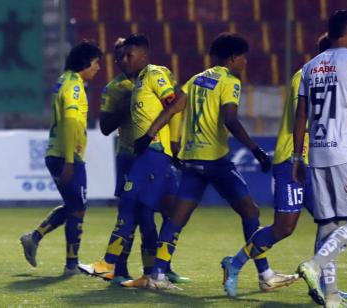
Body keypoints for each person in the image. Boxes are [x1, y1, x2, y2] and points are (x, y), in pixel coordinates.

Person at [123, 32, 295, 291]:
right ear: (234, 58)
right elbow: (231, 120)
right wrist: (255, 149)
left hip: (191, 161)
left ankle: (157, 275)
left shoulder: (196, 79)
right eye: (243, 59)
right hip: (216, 161)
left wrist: (149, 135)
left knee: (176, 219)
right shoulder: (229, 81)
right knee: (251, 212)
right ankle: (265, 275)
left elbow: (171, 110)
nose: (245, 63)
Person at [222, 32, 347, 300]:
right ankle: (234, 263)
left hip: (318, 163)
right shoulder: (305, 76)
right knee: (284, 227)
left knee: (330, 224)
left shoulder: (337, 79)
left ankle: (325, 284)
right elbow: (302, 118)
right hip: (292, 162)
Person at [78, 34, 182, 286]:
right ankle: (150, 274)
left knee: (133, 207)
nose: (123, 60)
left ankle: (109, 265)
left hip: (153, 152)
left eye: (128, 55)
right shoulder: (130, 84)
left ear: (144, 56)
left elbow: (178, 101)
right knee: (142, 211)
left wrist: (153, 135)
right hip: (140, 154)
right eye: (120, 56)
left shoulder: (154, 74)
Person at [294, 10, 347, 308]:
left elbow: (301, 116)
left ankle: (332, 297)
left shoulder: (309, 67)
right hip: (346, 151)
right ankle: (315, 264)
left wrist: (297, 156)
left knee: (327, 225)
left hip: (317, 152)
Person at [20, 40, 102, 275]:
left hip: (57, 153)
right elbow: (70, 122)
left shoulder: (63, 81)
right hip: (67, 155)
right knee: (78, 209)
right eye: (96, 63)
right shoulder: (74, 86)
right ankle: (70, 265)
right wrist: (69, 159)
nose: (98, 68)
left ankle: (34, 238)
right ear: (86, 63)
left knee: (74, 205)